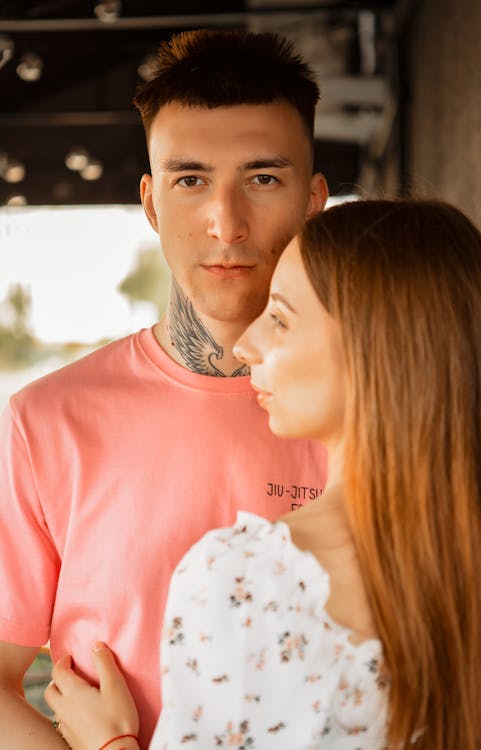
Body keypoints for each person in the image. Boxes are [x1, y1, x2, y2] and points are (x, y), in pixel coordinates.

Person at [44, 199, 481, 750]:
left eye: (279, 318)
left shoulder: (248, 578)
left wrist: (110, 745)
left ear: (375, 347)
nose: (246, 343)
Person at [0, 30, 330, 748]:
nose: (226, 221)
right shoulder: (44, 422)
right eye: (190, 180)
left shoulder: (373, 414)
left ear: (314, 200)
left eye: (263, 178)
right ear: (150, 203)